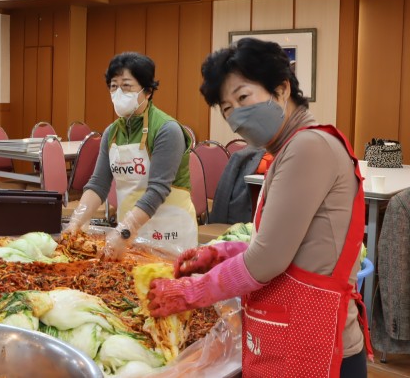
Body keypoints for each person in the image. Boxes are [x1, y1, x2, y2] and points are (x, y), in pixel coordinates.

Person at [147, 38, 372, 378]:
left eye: (243, 97)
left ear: (281, 89)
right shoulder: (291, 148)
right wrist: (222, 252)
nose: (236, 114)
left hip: (318, 349)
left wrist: (192, 291)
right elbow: (290, 246)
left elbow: (267, 260)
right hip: (295, 337)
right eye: (226, 108)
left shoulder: (308, 147)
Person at [63, 52, 197, 258]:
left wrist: (125, 231)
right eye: (113, 86)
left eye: (126, 86)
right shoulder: (112, 132)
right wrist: (76, 222)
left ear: (148, 91)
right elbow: (98, 184)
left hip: (170, 231)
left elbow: (158, 189)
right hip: (129, 231)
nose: (118, 92)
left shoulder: (167, 130)